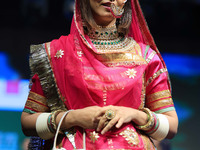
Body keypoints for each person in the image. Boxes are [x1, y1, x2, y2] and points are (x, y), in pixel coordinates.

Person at [21, 0, 178, 149]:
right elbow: (27, 122)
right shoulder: (56, 53)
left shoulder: (146, 57)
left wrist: (134, 114)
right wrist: (72, 118)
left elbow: (171, 125)